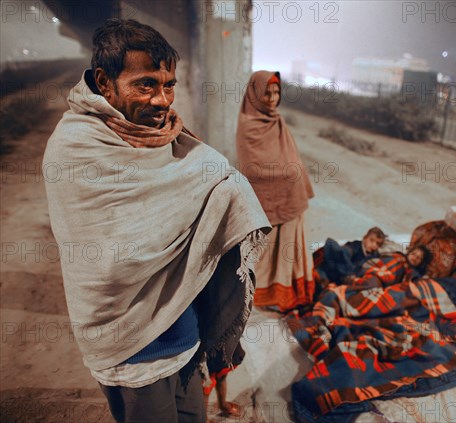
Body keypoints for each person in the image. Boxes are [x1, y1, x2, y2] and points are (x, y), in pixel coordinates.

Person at [43, 19, 270, 423]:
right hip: (130, 345)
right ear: (104, 81)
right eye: (146, 84)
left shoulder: (171, 139)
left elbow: (216, 182)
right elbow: (109, 265)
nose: (162, 100)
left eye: (169, 84)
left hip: (184, 331)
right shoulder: (74, 148)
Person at [236, 71, 315, 312]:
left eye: (276, 92)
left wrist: (294, 175)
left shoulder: (277, 120)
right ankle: (266, 295)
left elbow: (291, 157)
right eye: (267, 92)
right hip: (268, 201)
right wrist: (288, 174)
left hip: (291, 200)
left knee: (290, 250)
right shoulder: (249, 124)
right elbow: (253, 167)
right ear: (255, 94)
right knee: (269, 251)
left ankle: (287, 294)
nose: (272, 98)